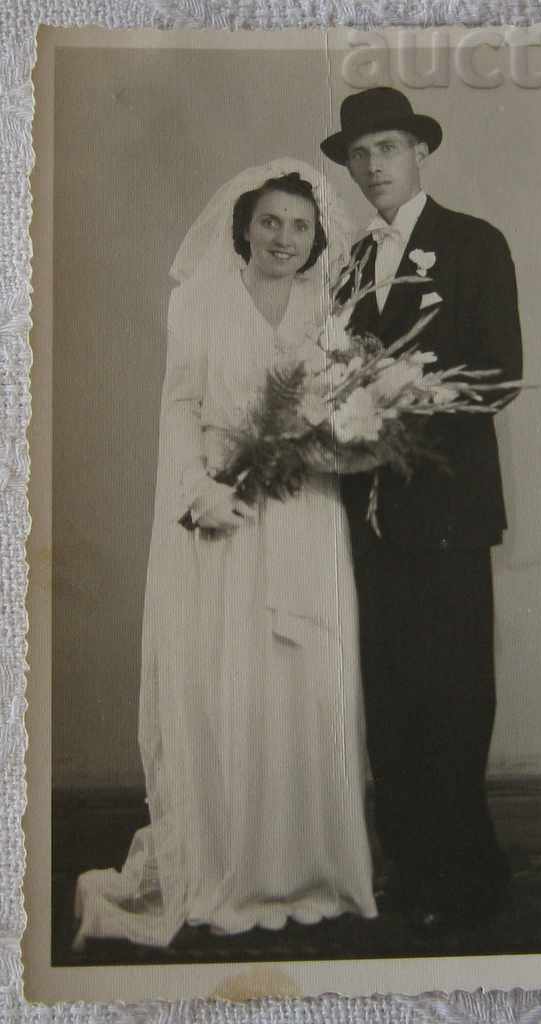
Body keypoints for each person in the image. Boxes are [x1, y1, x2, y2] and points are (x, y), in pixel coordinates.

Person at [73, 160, 377, 949]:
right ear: (244, 224)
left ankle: (314, 871)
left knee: (304, 683)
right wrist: (195, 488)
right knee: (227, 684)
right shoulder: (198, 300)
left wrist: (332, 447)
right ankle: (227, 870)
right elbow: (180, 405)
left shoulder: (327, 304)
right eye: (271, 222)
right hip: (224, 510)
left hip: (305, 511)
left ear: (317, 239)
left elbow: (349, 410)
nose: (284, 238)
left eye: (299, 227)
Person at [321, 88, 523, 931]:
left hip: (446, 511)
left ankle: (466, 871)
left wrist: (405, 399)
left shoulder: (473, 243)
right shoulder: (350, 264)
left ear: (419, 154)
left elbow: (502, 375)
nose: (374, 166)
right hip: (367, 516)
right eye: (361, 153)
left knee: (455, 690)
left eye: (389, 148)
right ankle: (409, 866)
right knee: (391, 690)